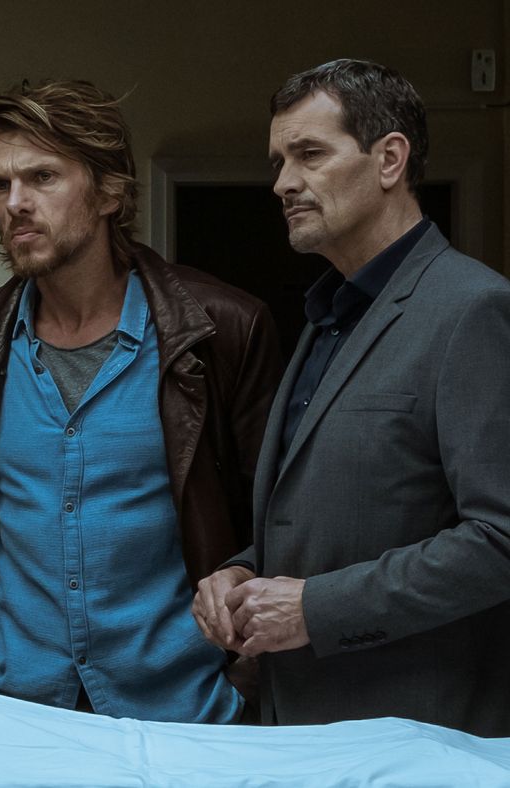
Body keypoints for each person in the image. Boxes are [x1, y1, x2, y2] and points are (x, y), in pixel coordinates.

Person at [0, 79, 282, 723]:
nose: (16, 203)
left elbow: (278, 524)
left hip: (186, 711)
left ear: (110, 192)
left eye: (42, 177)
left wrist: (247, 686)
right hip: (13, 709)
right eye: (0, 185)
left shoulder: (222, 330)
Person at [192, 58, 510, 737]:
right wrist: (243, 572)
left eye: (309, 154)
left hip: (417, 735)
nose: (282, 183)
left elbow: (500, 539)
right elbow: (340, 514)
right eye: (279, 162)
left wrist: (317, 610)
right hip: (302, 725)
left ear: (389, 159)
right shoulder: (327, 315)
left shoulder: (473, 309)